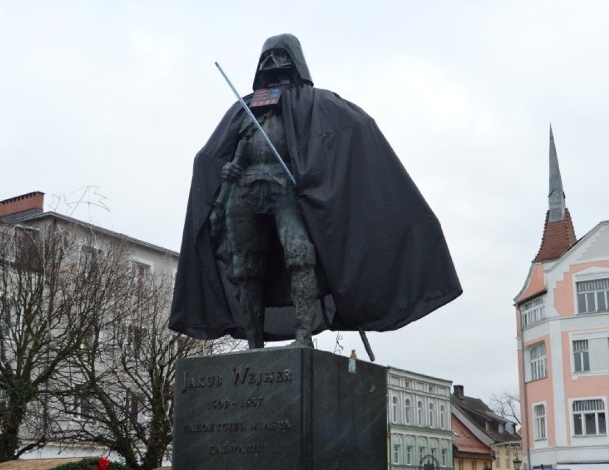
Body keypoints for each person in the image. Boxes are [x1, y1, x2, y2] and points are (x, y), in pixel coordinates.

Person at [170, 34, 461, 349]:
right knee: (245, 266)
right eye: (266, 57)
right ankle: (254, 346)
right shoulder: (245, 108)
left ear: (294, 60)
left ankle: (303, 338)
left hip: (286, 185)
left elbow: (354, 128)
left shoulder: (317, 103)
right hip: (245, 188)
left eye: (279, 55)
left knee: (299, 254)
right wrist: (220, 191)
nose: (271, 63)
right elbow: (214, 154)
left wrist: (316, 174)